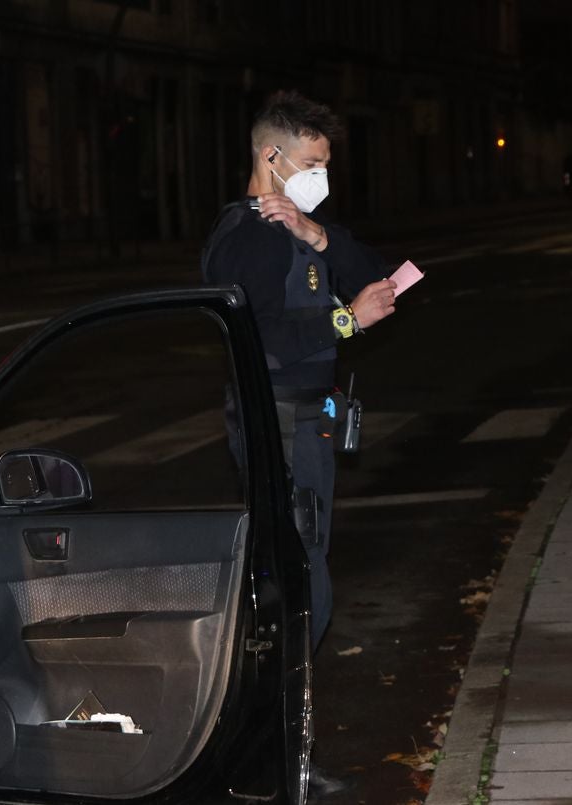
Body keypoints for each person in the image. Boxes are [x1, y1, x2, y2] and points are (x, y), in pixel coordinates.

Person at [201, 90, 397, 654]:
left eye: (326, 166)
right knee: (298, 560)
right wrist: (346, 321)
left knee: (307, 551)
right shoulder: (249, 238)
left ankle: (290, 682)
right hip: (279, 414)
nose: (321, 178)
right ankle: (284, 694)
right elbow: (261, 337)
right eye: (311, 166)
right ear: (270, 158)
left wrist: (321, 238)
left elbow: (378, 278)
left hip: (310, 414)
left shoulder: (294, 224)